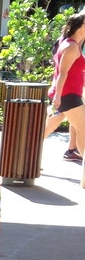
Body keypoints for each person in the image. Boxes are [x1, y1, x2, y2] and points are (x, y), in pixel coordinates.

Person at [44, 13, 85, 163]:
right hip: (67, 95)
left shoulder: (73, 44)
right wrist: (58, 97)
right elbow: (63, 72)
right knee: (83, 129)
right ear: (78, 26)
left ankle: (27, 160)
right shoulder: (71, 46)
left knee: (47, 129)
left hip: (66, 94)